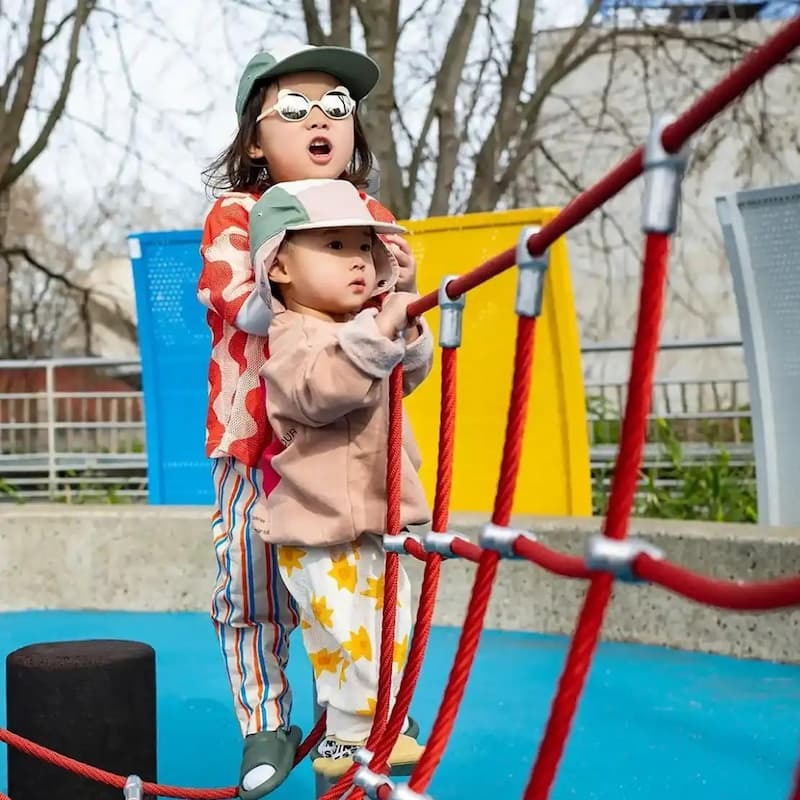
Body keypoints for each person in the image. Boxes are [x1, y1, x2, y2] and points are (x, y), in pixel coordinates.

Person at [197, 44, 419, 799]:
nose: (321, 119)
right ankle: (266, 721)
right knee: (250, 589)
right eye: (294, 109)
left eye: (337, 108)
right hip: (258, 441)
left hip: (346, 447)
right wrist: (305, 256)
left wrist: (390, 300)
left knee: (364, 580)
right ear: (256, 138)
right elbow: (240, 295)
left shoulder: (372, 217)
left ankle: (363, 710)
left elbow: (394, 312)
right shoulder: (240, 214)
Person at [249, 176, 432, 780]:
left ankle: (369, 725)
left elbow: (407, 376)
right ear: (279, 267)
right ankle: (355, 733)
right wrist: (379, 329)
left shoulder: (361, 326)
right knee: (346, 631)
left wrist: (399, 309)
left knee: (388, 625)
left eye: (364, 247)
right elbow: (319, 391)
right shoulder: (293, 337)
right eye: (334, 245)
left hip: (374, 519)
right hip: (320, 525)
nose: (358, 258)